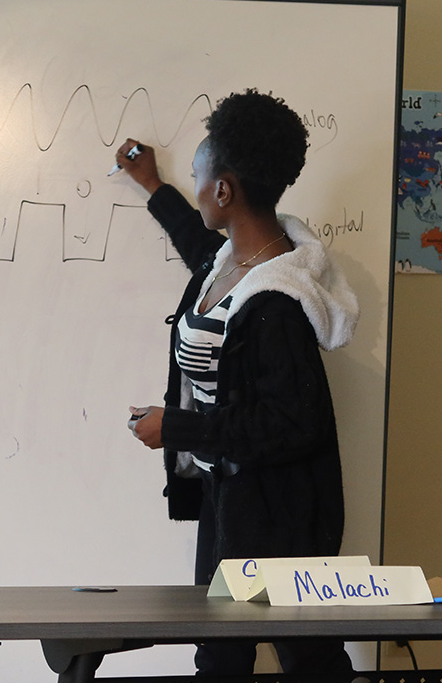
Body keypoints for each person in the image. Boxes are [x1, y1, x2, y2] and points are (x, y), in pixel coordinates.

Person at [116, 89, 358, 677]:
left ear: (223, 191)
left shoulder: (277, 304)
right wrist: (154, 186)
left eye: (198, 175)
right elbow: (197, 243)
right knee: (223, 650)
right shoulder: (231, 262)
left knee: (299, 656)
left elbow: (292, 423)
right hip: (232, 496)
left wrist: (178, 426)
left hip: (277, 511)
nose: (196, 185)